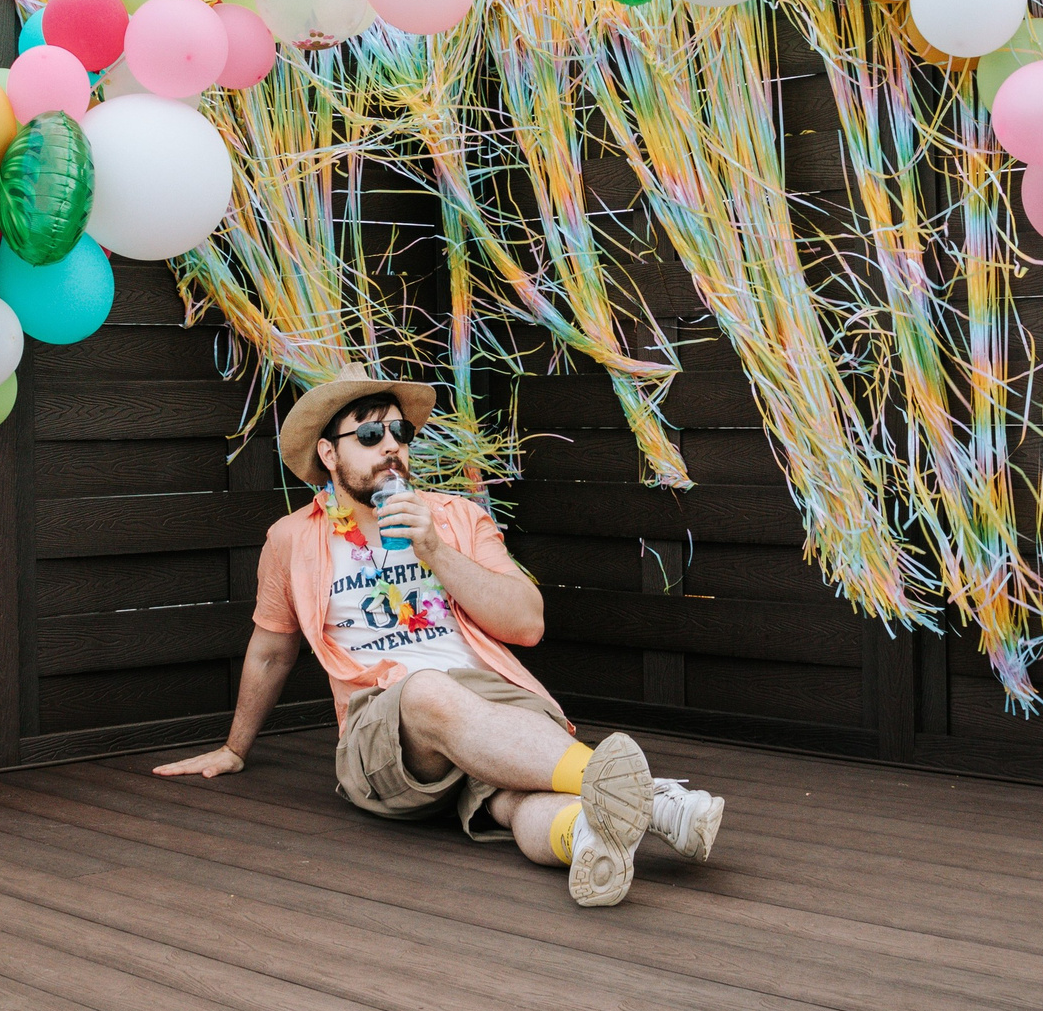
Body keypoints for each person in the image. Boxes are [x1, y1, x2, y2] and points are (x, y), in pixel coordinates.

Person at [154, 367, 723, 907]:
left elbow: (528, 624)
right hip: (384, 728)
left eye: (400, 432)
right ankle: (655, 801)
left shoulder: (454, 517)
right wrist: (235, 748)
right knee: (425, 689)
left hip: (491, 707)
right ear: (328, 453)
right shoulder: (291, 541)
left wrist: (435, 551)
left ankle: (590, 847)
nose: (391, 446)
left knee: (510, 800)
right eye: (370, 433)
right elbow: (272, 650)